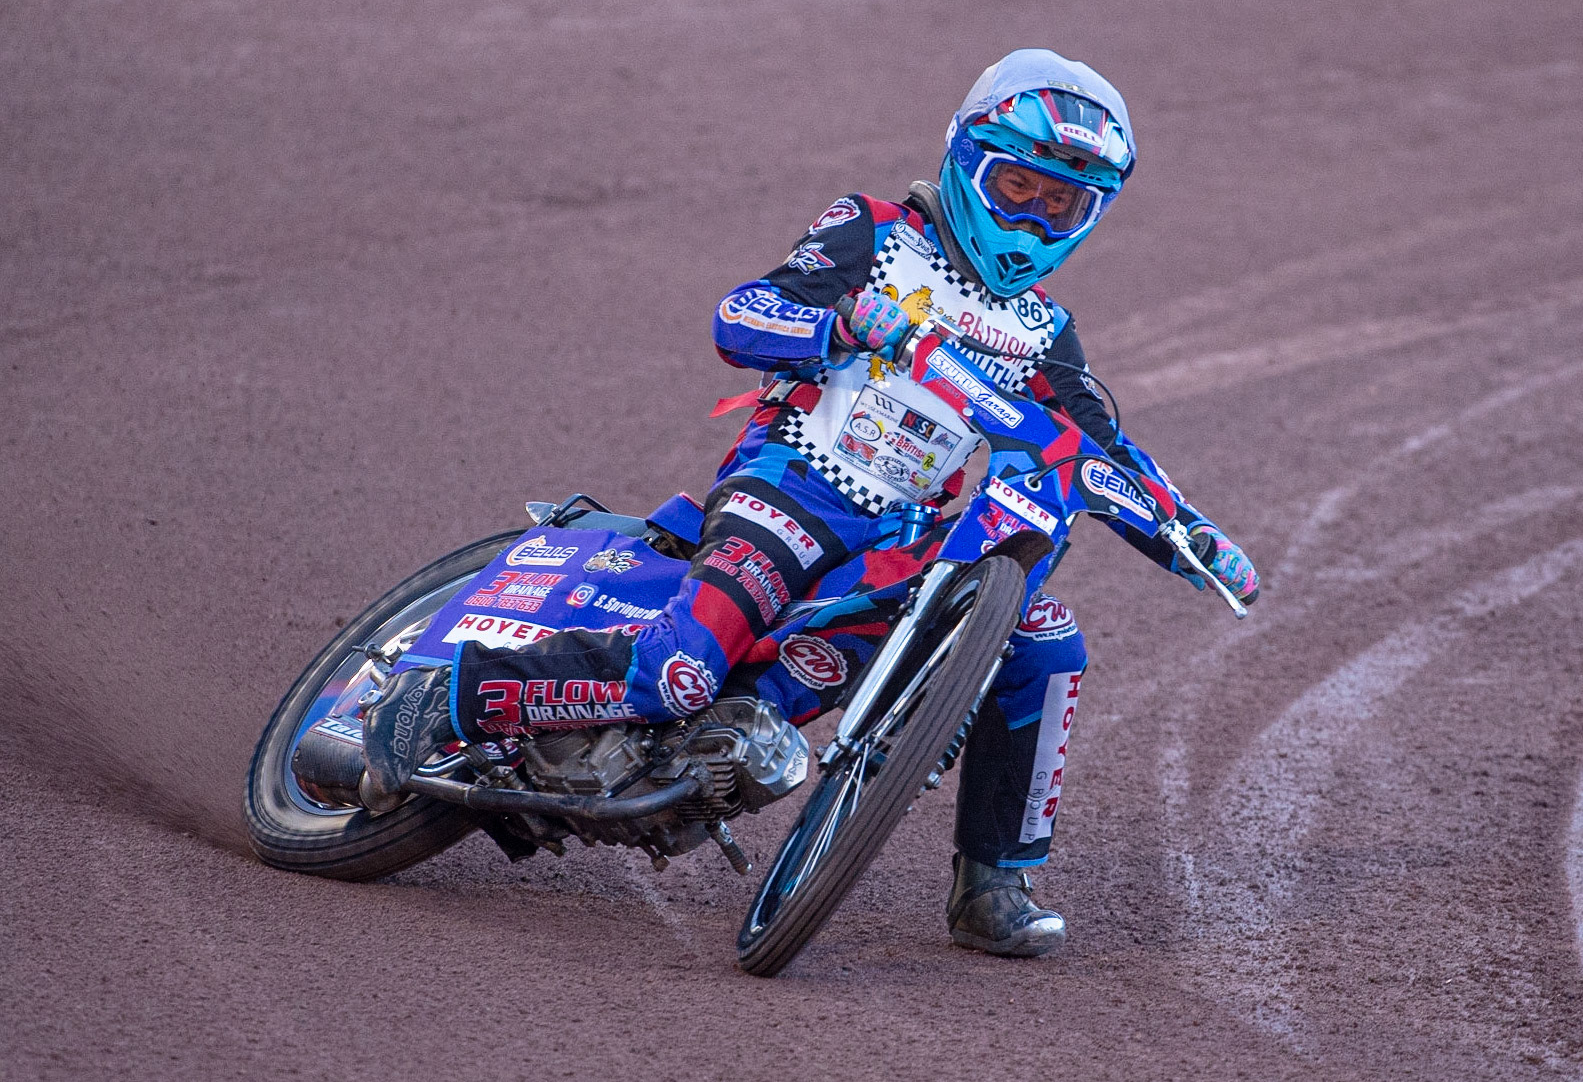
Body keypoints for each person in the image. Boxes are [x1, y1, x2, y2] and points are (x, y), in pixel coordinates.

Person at [363, 48, 1259, 957]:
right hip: (790, 487)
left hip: (906, 541)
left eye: (1060, 205)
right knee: (683, 669)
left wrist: (1191, 534)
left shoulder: (1044, 333)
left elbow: (1101, 450)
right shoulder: (872, 231)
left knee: (1045, 636)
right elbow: (741, 316)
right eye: (1017, 186)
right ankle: (451, 697)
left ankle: (995, 880)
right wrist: (838, 324)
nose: (1032, 217)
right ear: (964, 155)